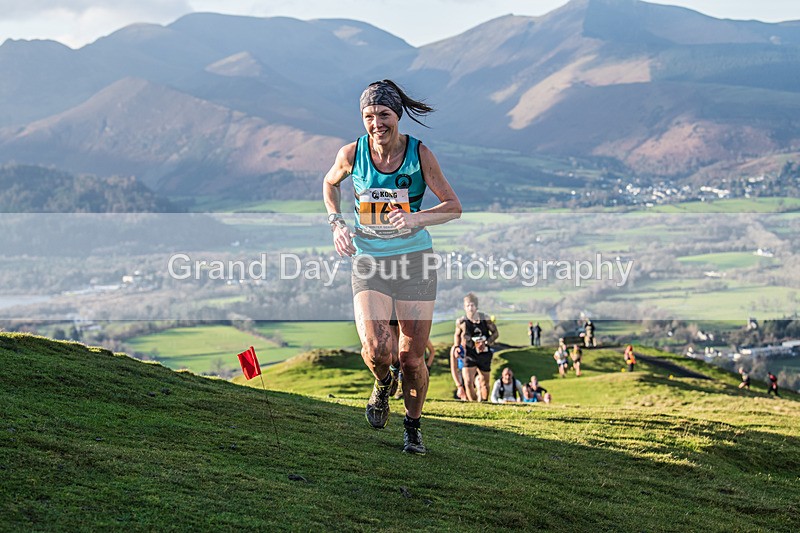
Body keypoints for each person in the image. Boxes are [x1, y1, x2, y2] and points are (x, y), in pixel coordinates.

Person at [323, 79, 462, 455]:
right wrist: (337, 224)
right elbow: (330, 183)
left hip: (415, 262)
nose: (376, 123)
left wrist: (417, 219)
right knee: (375, 350)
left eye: (383, 114)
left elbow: (453, 206)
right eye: (368, 115)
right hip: (369, 261)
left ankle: (412, 427)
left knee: (411, 358)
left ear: (397, 116)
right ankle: (383, 383)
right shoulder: (353, 153)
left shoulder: (419, 155)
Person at [453, 293, 499, 401]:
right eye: (467, 305)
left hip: (484, 353)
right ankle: (473, 402)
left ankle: (484, 401)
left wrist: (487, 342)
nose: (470, 308)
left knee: (485, 382)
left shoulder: (485, 319)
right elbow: (457, 334)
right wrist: (456, 347)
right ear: (464, 307)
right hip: (469, 354)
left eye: (472, 305)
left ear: (476, 306)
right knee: (468, 381)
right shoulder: (461, 322)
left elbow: (495, 333)